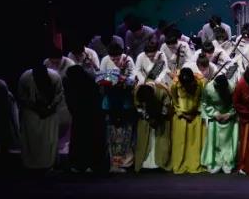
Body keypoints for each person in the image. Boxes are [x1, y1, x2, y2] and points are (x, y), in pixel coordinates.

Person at [62, 65, 108, 173]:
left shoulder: (72, 83)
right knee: (93, 141)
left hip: (83, 117)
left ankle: (80, 164)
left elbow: (71, 101)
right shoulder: (90, 81)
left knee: (81, 141)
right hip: (93, 117)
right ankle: (94, 165)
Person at [97, 43, 135, 171]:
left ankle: (126, 162)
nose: (114, 60)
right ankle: (114, 163)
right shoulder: (105, 60)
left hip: (125, 100)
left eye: (117, 58)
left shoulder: (128, 60)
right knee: (112, 134)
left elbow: (132, 78)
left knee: (126, 133)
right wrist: (115, 74)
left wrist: (124, 79)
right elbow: (100, 77)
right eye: (112, 58)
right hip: (110, 100)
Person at [169, 67, 205, 174]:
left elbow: (202, 99)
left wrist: (195, 113)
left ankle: (195, 163)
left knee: (195, 143)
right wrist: (183, 114)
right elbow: (174, 102)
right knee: (180, 143)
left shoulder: (200, 83)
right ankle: (180, 163)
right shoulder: (175, 85)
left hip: (196, 116)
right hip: (181, 117)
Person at [201, 72, 239, 174]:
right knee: (214, 141)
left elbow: (236, 103)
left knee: (228, 142)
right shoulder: (208, 88)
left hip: (229, 117)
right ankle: (214, 163)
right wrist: (215, 114)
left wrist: (229, 114)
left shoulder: (232, 87)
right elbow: (205, 103)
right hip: (215, 117)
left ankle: (228, 162)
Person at [133, 80, 172, 172]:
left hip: (161, 120)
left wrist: (158, 118)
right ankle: (144, 163)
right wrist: (147, 117)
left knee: (160, 140)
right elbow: (138, 107)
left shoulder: (161, 92)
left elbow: (166, 106)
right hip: (145, 121)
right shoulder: (138, 92)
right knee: (144, 141)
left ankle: (160, 162)